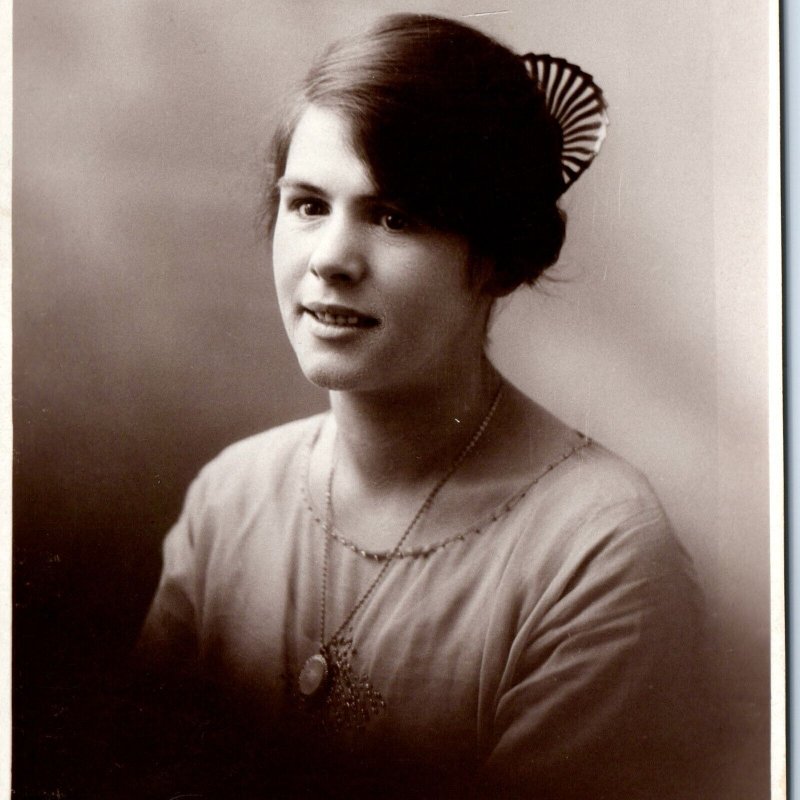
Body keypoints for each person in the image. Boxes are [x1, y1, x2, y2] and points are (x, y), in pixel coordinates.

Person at [129, 13, 703, 799]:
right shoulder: (229, 498)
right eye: (306, 205)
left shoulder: (602, 555)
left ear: (498, 260)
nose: (330, 259)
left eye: (395, 217)